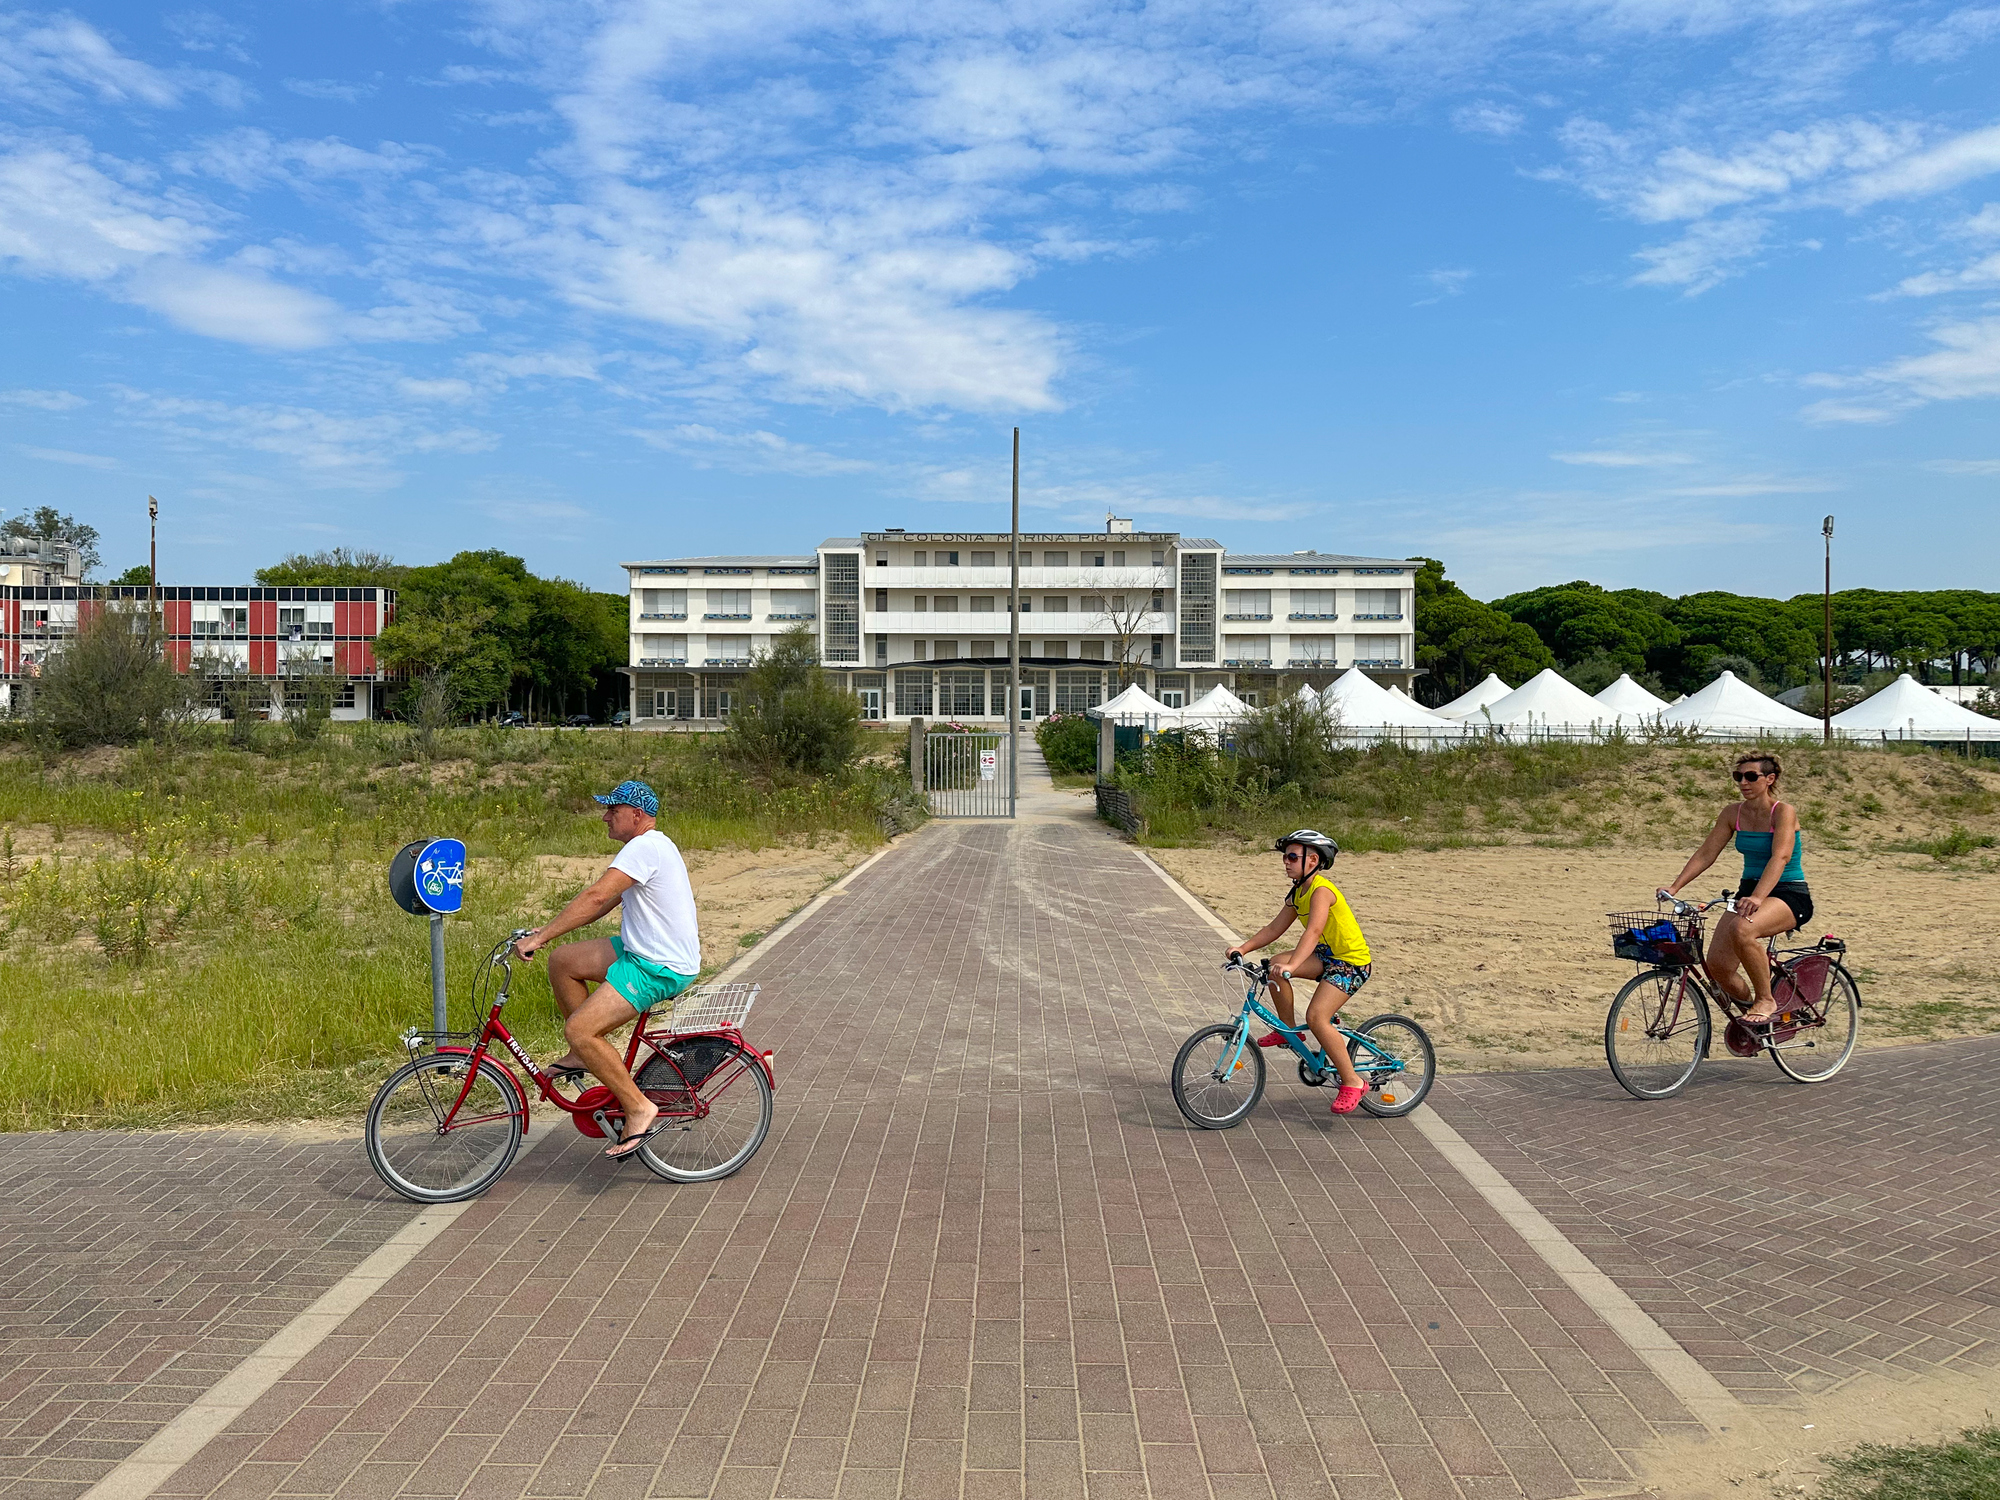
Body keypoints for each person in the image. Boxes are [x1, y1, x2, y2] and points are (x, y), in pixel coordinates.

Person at [513, 780, 701, 1161]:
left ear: (637, 815)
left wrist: (539, 936)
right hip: (643, 949)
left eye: (612, 811)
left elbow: (595, 895)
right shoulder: (651, 846)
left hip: (657, 965)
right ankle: (584, 1054)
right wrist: (547, 936)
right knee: (564, 960)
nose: (605, 817)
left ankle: (638, 1107)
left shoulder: (645, 847)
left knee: (580, 1028)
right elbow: (604, 903)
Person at [1659, 749, 1815, 1031]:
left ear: (1770, 779)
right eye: (1738, 776)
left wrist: (1758, 897)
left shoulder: (1783, 812)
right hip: (1748, 892)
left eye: (1751, 777)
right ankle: (1752, 1020)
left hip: (1788, 893)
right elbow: (1707, 853)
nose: (1743, 782)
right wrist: (1675, 885)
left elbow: (1780, 857)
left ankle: (1766, 1000)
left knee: (1743, 930)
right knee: (1717, 967)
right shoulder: (1733, 813)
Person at [1225, 829, 1375, 1115]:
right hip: (1327, 956)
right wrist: (1243, 949)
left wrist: (1293, 966)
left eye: (1293, 857)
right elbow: (1273, 928)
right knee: (1272, 968)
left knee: (1317, 1017)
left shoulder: (1321, 891)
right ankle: (1288, 1031)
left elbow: (1314, 930)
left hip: (1351, 962)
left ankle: (1353, 1082)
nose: (1286, 862)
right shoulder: (1298, 893)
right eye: (1285, 857)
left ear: (1312, 860)